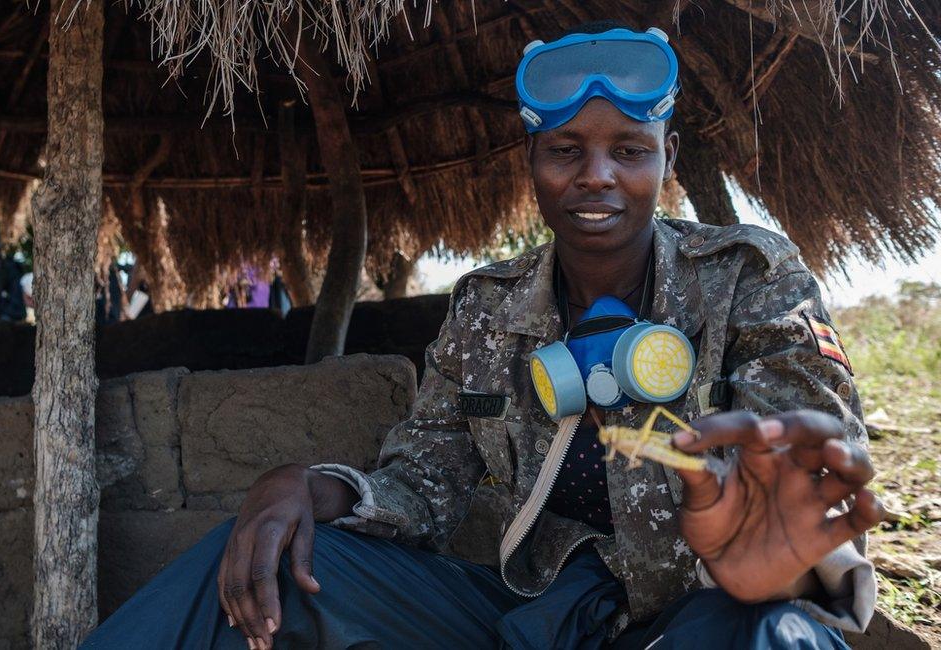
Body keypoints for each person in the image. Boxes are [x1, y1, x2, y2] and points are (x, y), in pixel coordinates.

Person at [83, 22, 882, 650]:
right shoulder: (489, 308)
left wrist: (765, 546)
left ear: (667, 159)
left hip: (709, 611)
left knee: (775, 634)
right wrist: (309, 485)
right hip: (537, 620)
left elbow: (806, 468)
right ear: (531, 164)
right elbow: (423, 482)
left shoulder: (748, 276)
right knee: (272, 558)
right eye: (566, 151)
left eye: (630, 152)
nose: (598, 175)